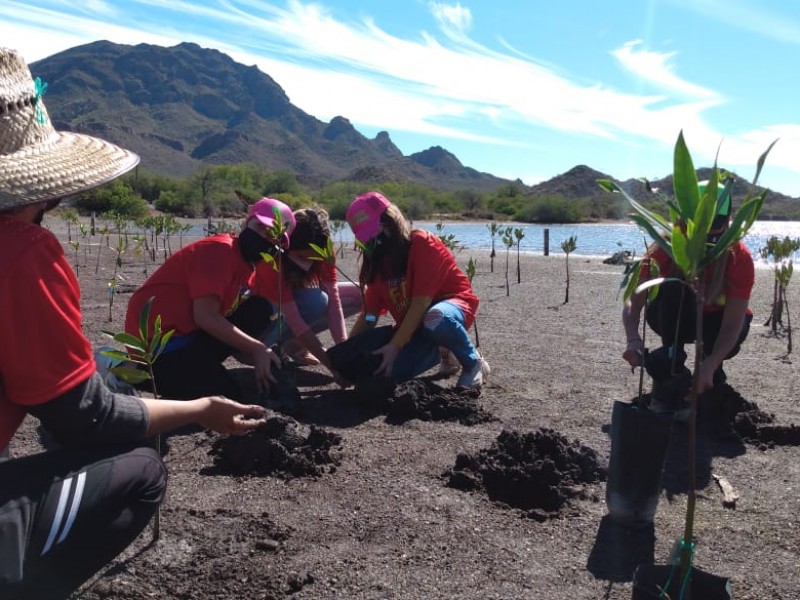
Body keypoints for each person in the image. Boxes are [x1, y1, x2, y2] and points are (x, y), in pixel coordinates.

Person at [0, 48, 267, 599]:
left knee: (99, 366)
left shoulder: (248, 266)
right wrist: (200, 411)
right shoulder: (23, 252)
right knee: (142, 469)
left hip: (169, 347)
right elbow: (84, 418)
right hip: (169, 348)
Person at [124, 198, 291, 401]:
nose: (264, 236)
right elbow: (205, 317)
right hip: (160, 345)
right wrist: (257, 349)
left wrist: (266, 354)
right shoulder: (219, 250)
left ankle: (200, 369)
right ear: (246, 222)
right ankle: (124, 369)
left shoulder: (247, 266)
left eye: (273, 235)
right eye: (260, 227)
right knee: (225, 397)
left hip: (189, 334)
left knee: (258, 309)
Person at [338, 191, 489, 387]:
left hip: (449, 309)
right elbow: (370, 315)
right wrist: (345, 356)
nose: (376, 240)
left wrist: (395, 345)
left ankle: (473, 363)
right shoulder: (377, 264)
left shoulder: (421, 243)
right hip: (414, 326)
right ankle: (446, 351)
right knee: (381, 377)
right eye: (368, 237)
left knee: (435, 319)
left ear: (391, 219)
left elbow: (421, 303)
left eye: (378, 230)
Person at [622, 179, 754, 399]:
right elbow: (633, 299)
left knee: (713, 362)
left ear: (728, 221)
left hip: (718, 324)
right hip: (676, 317)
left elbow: (732, 323)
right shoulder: (666, 247)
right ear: (683, 221)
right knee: (671, 289)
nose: (705, 239)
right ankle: (672, 360)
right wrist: (633, 338)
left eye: (713, 229)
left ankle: (712, 368)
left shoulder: (739, 257)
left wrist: (710, 365)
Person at [256, 206, 361, 378]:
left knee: (359, 294)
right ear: (286, 246)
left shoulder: (324, 250)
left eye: (314, 257)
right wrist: (332, 365)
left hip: (295, 304)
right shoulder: (273, 261)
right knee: (317, 301)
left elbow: (334, 302)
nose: (309, 263)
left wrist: (343, 351)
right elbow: (296, 322)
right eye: (303, 257)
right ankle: (275, 345)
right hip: (265, 323)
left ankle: (294, 345)